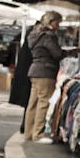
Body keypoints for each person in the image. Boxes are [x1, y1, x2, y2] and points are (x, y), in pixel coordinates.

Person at [24, 11, 64, 144]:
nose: (58, 26)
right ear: (51, 22)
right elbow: (57, 53)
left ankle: (29, 133)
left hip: (34, 70)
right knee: (43, 102)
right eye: (57, 23)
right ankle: (38, 134)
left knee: (33, 104)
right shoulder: (48, 36)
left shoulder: (34, 34)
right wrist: (70, 52)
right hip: (46, 72)